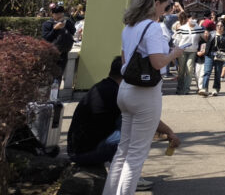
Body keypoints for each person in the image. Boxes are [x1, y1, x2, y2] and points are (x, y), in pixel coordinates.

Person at [103, 0, 184, 195]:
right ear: (156, 3)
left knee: (123, 150)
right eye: (166, 5)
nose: (167, 10)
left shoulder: (129, 27)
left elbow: (124, 60)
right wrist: (174, 53)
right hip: (145, 93)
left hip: (126, 89)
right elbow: (157, 63)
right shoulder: (153, 28)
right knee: (136, 155)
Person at [68, 56, 179, 192]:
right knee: (134, 140)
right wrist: (169, 132)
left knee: (128, 126)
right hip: (86, 153)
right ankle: (130, 178)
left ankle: (125, 176)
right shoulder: (116, 92)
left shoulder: (105, 86)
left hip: (79, 149)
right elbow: (148, 119)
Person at [172, 11, 203, 95]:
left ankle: (186, 89)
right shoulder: (182, 28)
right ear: (188, 19)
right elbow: (176, 39)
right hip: (182, 51)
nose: (193, 20)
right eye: (192, 18)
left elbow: (204, 38)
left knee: (189, 69)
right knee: (181, 70)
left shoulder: (199, 28)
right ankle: (180, 88)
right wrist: (175, 50)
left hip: (192, 51)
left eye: (195, 19)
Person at [42, 3, 76, 76]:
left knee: (60, 73)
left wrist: (67, 24)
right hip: (52, 53)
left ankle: (56, 86)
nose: (59, 15)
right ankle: (51, 86)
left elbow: (73, 32)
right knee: (50, 74)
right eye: (57, 13)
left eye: (61, 13)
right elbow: (46, 38)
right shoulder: (47, 24)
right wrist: (54, 29)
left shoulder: (67, 22)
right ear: (52, 14)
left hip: (64, 52)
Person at [199, 21, 225, 96]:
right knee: (207, 72)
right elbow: (208, 45)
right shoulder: (212, 34)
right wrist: (206, 53)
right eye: (218, 25)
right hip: (210, 55)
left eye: (221, 26)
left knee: (217, 73)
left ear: (224, 27)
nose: (219, 27)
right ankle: (204, 88)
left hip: (220, 55)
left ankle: (216, 88)